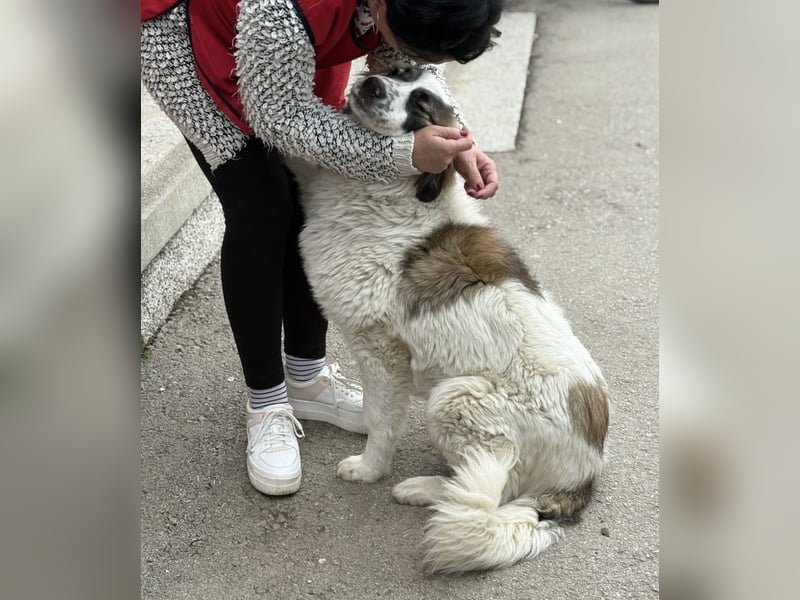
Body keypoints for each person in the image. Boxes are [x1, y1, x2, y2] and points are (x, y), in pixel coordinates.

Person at [141, 0, 504, 496]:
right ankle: (266, 403)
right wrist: (402, 153)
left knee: (308, 194)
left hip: (293, 43)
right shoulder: (282, 11)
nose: (403, 55)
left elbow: (412, 66)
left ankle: (307, 380)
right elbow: (281, 118)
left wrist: (461, 140)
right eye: (404, 41)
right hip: (179, 33)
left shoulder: (408, 10)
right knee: (262, 205)